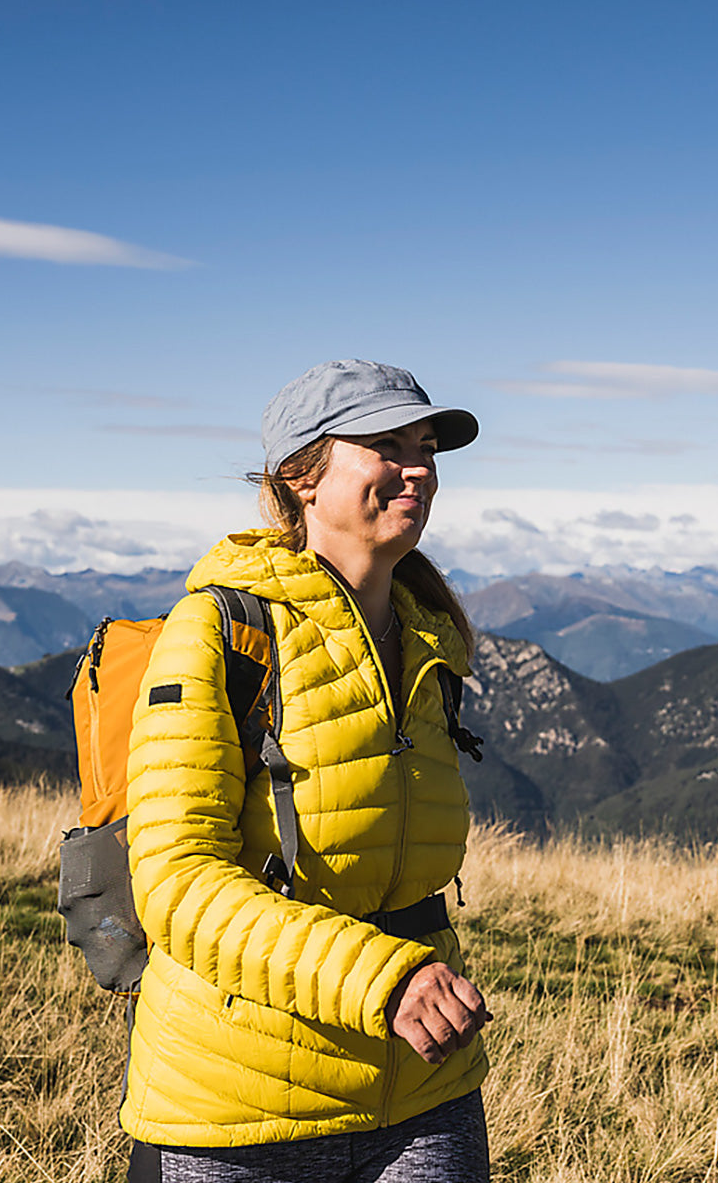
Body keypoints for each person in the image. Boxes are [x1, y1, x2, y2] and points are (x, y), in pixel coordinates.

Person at [120, 360, 491, 1182]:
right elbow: (177, 884)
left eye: (426, 448)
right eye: (388, 445)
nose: (419, 470)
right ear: (302, 476)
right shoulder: (221, 631)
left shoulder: (431, 641)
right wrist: (386, 980)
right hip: (236, 1099)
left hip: (423, 1084)